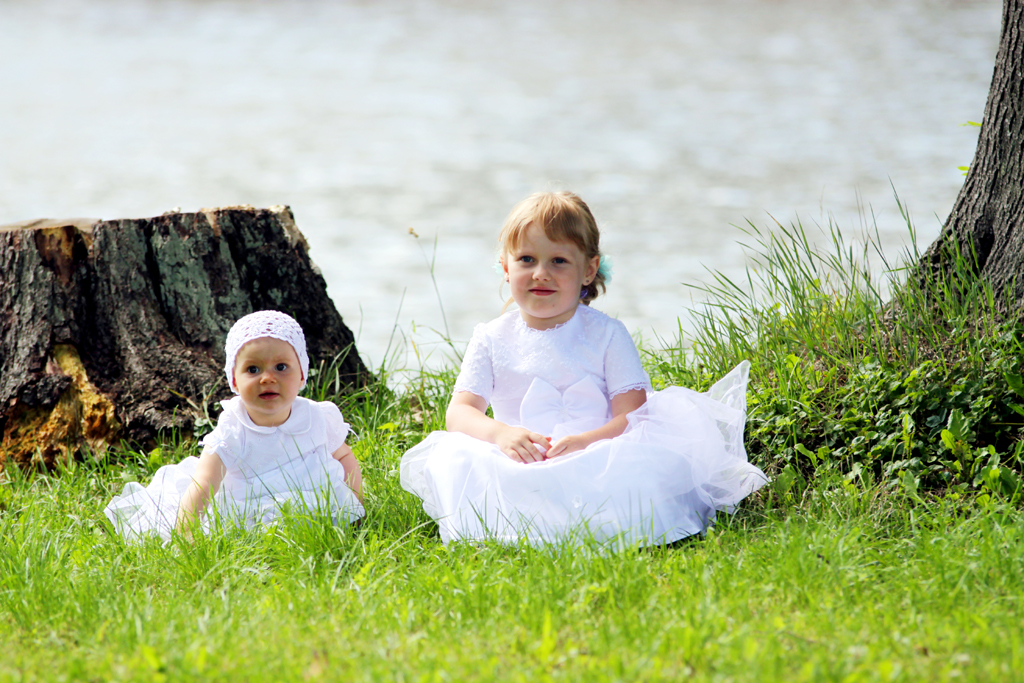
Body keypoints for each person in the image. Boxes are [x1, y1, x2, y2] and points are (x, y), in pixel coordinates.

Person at [400, 191, 767, 546]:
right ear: (505, 267)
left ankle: (600, 522)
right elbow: (460, 413)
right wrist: (501, 435)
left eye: (558, 261)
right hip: (517, 455)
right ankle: (516, 523)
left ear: (589, 270)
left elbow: (635, 415)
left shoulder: (606, 334)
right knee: (460, 458)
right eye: (527, 259)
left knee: (638, 468)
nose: (540, 273)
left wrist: (586, 442)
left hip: (597, 452)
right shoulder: (491, 337)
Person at [105, 310, 364, 541]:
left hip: (315, 499)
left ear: (301, 375)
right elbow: (204, 483)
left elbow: (344, 456)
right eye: (253, 369)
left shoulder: (315, 417)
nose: (267, 378)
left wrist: (355, 503)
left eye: (281, 367)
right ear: (235, 382)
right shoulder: (233, 430)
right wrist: (186, 532)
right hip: (254, 505)